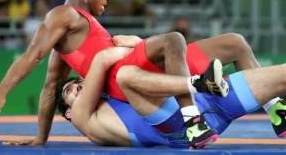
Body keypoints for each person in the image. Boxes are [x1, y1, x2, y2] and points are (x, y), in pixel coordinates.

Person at [0, 0, 284, 147]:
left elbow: (50, 88)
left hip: (138, 67)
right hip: (127, 74)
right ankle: (193, 123)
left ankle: (277, 113)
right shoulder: (63, 14)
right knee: (173, 39)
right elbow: (31, 55)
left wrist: (41, 138)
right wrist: (1, 90)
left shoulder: (68, 44)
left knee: (234, 43)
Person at [54, 47, 286, 148]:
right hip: (179, 131)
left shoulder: (109, 95)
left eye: (78, 83)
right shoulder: (84, 119)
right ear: (68, 113)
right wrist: (128, 45)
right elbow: (103, 57)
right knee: (125, 74)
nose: (78, 87)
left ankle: (278, 111)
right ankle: (198, 83)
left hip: (206, 106)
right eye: (70, 91)